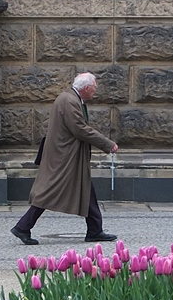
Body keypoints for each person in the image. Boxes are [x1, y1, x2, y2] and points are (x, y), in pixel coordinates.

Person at [11, 72, 118, 245]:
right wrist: (107, 144)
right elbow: (80, 129)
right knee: (49, 192)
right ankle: (23, 227)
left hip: (68, 155)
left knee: (86, 190)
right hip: (66, 157)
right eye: (94, 88)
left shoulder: (69, 98)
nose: (95, 91)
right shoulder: (69, 101)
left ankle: (95, 230)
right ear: (86, 88)